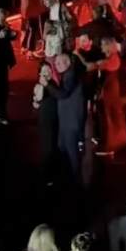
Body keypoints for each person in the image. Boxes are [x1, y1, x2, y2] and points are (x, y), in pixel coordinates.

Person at [77, 37, 126, 158]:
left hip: (110, 90)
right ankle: (113, 141)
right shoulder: (112, 57)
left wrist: (78, 55)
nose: (101, 48)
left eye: (103, 45)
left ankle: (112, 145)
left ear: (108, 46)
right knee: (110, 115)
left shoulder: (112, 60)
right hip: (110, 88)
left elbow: (90, 66)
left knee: (109, 116)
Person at [44, 54, 85, 182]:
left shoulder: (71, 75)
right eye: (56, 64)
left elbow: (63, 93)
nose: (57, 66)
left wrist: (47, 84)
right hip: (66, 120)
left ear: (67, 62)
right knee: (62, 147)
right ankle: (67, 176)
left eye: (59, 63)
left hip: (71, 121)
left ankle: (75, 178)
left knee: (70, 150)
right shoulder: (68, 74)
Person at [32, 64, 59, 186]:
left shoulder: (53, 85)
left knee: (54, 147)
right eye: (44, 71)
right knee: (47, 148)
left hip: (54, 120)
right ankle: (46, 176)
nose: (47, 73)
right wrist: (43, 84)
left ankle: (53, 172)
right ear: (39, 74)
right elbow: (38, 98)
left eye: (48, 71)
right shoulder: (39, 86)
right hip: (45, 122)